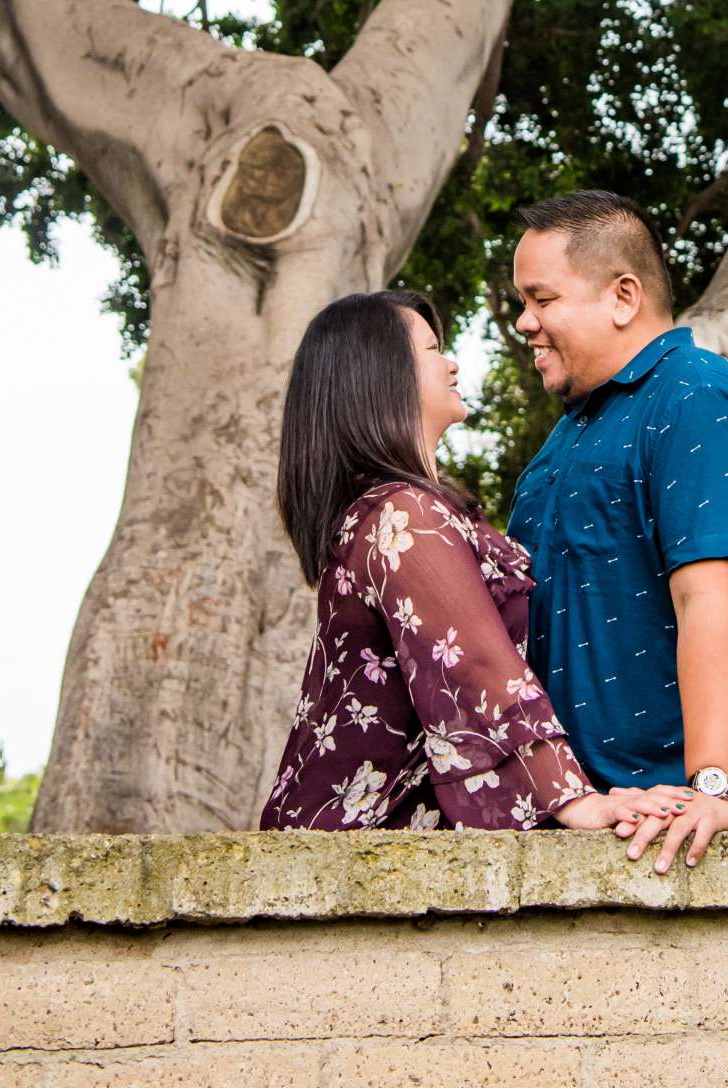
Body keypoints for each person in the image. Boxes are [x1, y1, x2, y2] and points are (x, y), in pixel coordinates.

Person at [259, 286, 684, 836]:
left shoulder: (399, 509)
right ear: (381, 374)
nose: (452, 362)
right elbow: (474, 662)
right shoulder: (404, 514)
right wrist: (575, 800)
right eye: (433, 350)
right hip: (355, 851)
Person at [508, 190, 728, 872]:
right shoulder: (565, 439)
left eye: (541, 299)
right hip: (578, 829)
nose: (523, 322)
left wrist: (714, 789)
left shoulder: (699, 397)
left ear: (623, 296)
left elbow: (710, 599)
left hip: (682, 841)